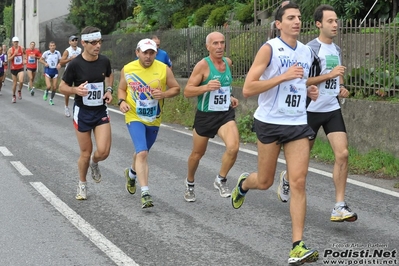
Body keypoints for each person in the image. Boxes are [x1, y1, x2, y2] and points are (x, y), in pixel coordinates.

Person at [230, 2, 320, 265]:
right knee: (266, 181)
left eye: (299, 17)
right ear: (278, 24)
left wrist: (308, 91)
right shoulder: (269, 49)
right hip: (269, 122)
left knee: (299, 181)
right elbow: (248, 88)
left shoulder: (306, 52)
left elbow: (299, 82)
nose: (296, 21)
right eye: (290, 18)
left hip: (297, 122)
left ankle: (297, 245)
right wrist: (283, 77)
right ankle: (245, 183)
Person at [277, 4, 358, 223]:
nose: (335, 25)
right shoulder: (309, 49)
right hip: (310, 110)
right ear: (318, 24)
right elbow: (301, 80)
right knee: (301, 163)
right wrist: (328, 75)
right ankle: (286, 177)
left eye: (336, 21)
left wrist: (342, 87)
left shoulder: (337, 50)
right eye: (330, 21)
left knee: (342, 154)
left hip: (331, 108)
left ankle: (339, 206)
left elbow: (337, 78)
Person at [117, 38, 180, 208]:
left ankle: (131, 174)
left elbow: (176, 88)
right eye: (145, 52)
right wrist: (121, 101)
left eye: (152, 53)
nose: (148, 56)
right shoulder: (128, 69)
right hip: (134, 116)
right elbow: (122, 88)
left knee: (140, 153)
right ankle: (145, 192)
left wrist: (164, 95)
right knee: (143, 153)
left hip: (153, 118)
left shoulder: (163, 69)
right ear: (138, 52)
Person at [183, 31, 240, 202]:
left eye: (222, 43)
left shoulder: (227, 63)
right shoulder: (203, 65)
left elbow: (224, 87)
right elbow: (187, 91)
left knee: (233, 147)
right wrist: (205, 87)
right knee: (197, 154)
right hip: (206, 116)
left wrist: (229, 96)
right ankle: (190, 182)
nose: (220, 46)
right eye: (215, 43)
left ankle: (220, 179)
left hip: (224, 114)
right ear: (208, 46)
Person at [59, 26, 114, 200]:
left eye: (100, 42)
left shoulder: (104, 61)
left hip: (100, 111)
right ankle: (82, 184)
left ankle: (95, 163)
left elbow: (110, 75)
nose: (97, 46)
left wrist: (109, 90)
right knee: (85, 152)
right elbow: (62, 87)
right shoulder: (75, 64)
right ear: (83, 43)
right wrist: (75, 90)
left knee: (103, 151)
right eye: (93, 43)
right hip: (82, 112)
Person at [60, 35, 82, 117]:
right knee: (67, 91)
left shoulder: (80, 50)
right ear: (69, 42)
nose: (75, 41)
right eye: (73, 40)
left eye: (76, 40)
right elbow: (61, 62)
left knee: (80, 88)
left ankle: (80, 107)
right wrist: (70, 59)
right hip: (69, 72)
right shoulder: (67, 51)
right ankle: (66, 107)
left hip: (78, 72)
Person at [39, 41, 62, 105]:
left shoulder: (58, 53)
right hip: (48, 71)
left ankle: (51, 99)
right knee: (49, 86)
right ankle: (46, 92)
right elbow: (40, 59)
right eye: (51, 46)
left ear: (55, 46)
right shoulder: (46, 53)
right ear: (49, 47)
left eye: (53, 45)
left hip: (55, 71)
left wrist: (59, 64)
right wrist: (45, 63)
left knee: (54, 87)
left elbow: (61, 60)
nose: (52, 47)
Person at [7, 37, 25, 103]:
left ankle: (19, 91)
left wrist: (24, 59)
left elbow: (25, 53)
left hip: (20, 67)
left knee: (21, 81)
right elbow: (9, 59)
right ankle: (14, 96)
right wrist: (14, 54)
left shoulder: (22, 48)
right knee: (14, 84)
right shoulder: (10, 50)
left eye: (17, 42)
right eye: (15, 42)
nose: (16, 43)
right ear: (12, 42)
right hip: (13, 68)